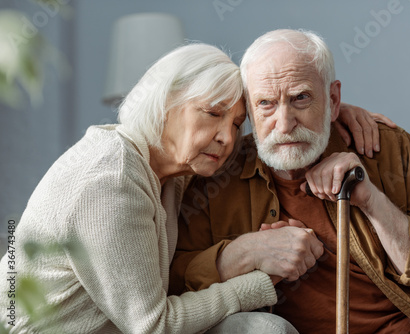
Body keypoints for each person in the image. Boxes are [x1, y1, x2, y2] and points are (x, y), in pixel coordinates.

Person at [0, 42, 387, 333]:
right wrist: (258, 281)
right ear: (166, 103)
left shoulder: (176, 170)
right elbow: (153, 326)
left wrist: (333, 116)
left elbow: (278, 118)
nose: (226, 138)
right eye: (213, 113)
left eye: (236, 124)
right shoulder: (112, 179)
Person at [170, 30, 410, 333]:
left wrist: (371, 201)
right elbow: (174, 284)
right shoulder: (217, 175)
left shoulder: (386, 148)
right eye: (266, 103)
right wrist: (246, 252)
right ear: (249, 110)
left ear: (333, 100)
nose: (284, 124)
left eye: (300, 98)